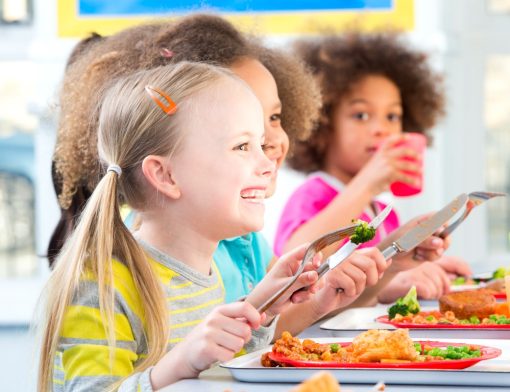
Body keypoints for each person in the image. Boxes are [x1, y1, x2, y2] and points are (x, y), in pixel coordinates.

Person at [38, 62, 390, 391]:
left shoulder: (206, 270)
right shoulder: (101, 284)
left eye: (260, 145)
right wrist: (179, 362)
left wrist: (265, 305)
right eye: (242, 146)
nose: (268, 163)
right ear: (165, 175)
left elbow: (217, 369)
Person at [275, 31, 472, 303]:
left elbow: (377, 282)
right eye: (361, 115)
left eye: (392, 116)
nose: (381, 129)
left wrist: (423, 269)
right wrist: (367, 184)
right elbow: (295, 266)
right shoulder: (313, 195)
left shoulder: (383, 213)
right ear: (322, 124)